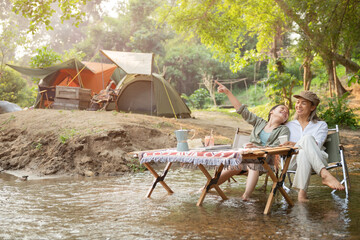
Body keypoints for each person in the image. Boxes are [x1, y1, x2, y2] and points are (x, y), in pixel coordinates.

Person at [215, 80, 290, 201]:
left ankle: (246, 196)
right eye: (282, 108)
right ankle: (206, 188)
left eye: (287, 113)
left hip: (264, 160)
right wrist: (228, 92)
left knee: (252, 164)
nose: (285, 111)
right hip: (246, 157)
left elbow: (278, 147)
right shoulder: (259, 122)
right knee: (234, 165)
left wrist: (257, 148)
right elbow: (242, 111)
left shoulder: (283, 130)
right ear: (272, 111)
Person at [281, 90, 345, 202]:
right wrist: (298, 144)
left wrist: (295, 144)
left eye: (303, 103)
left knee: (305, 146)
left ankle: (302, 196)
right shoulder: (288, 125)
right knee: (304, 145)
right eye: (297, 102)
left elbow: (317, 145)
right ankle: (324, 174)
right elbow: (282, 146)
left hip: (317, 159)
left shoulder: (321, 125)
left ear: (312, 107)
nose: (298, 105)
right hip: (292, 162)